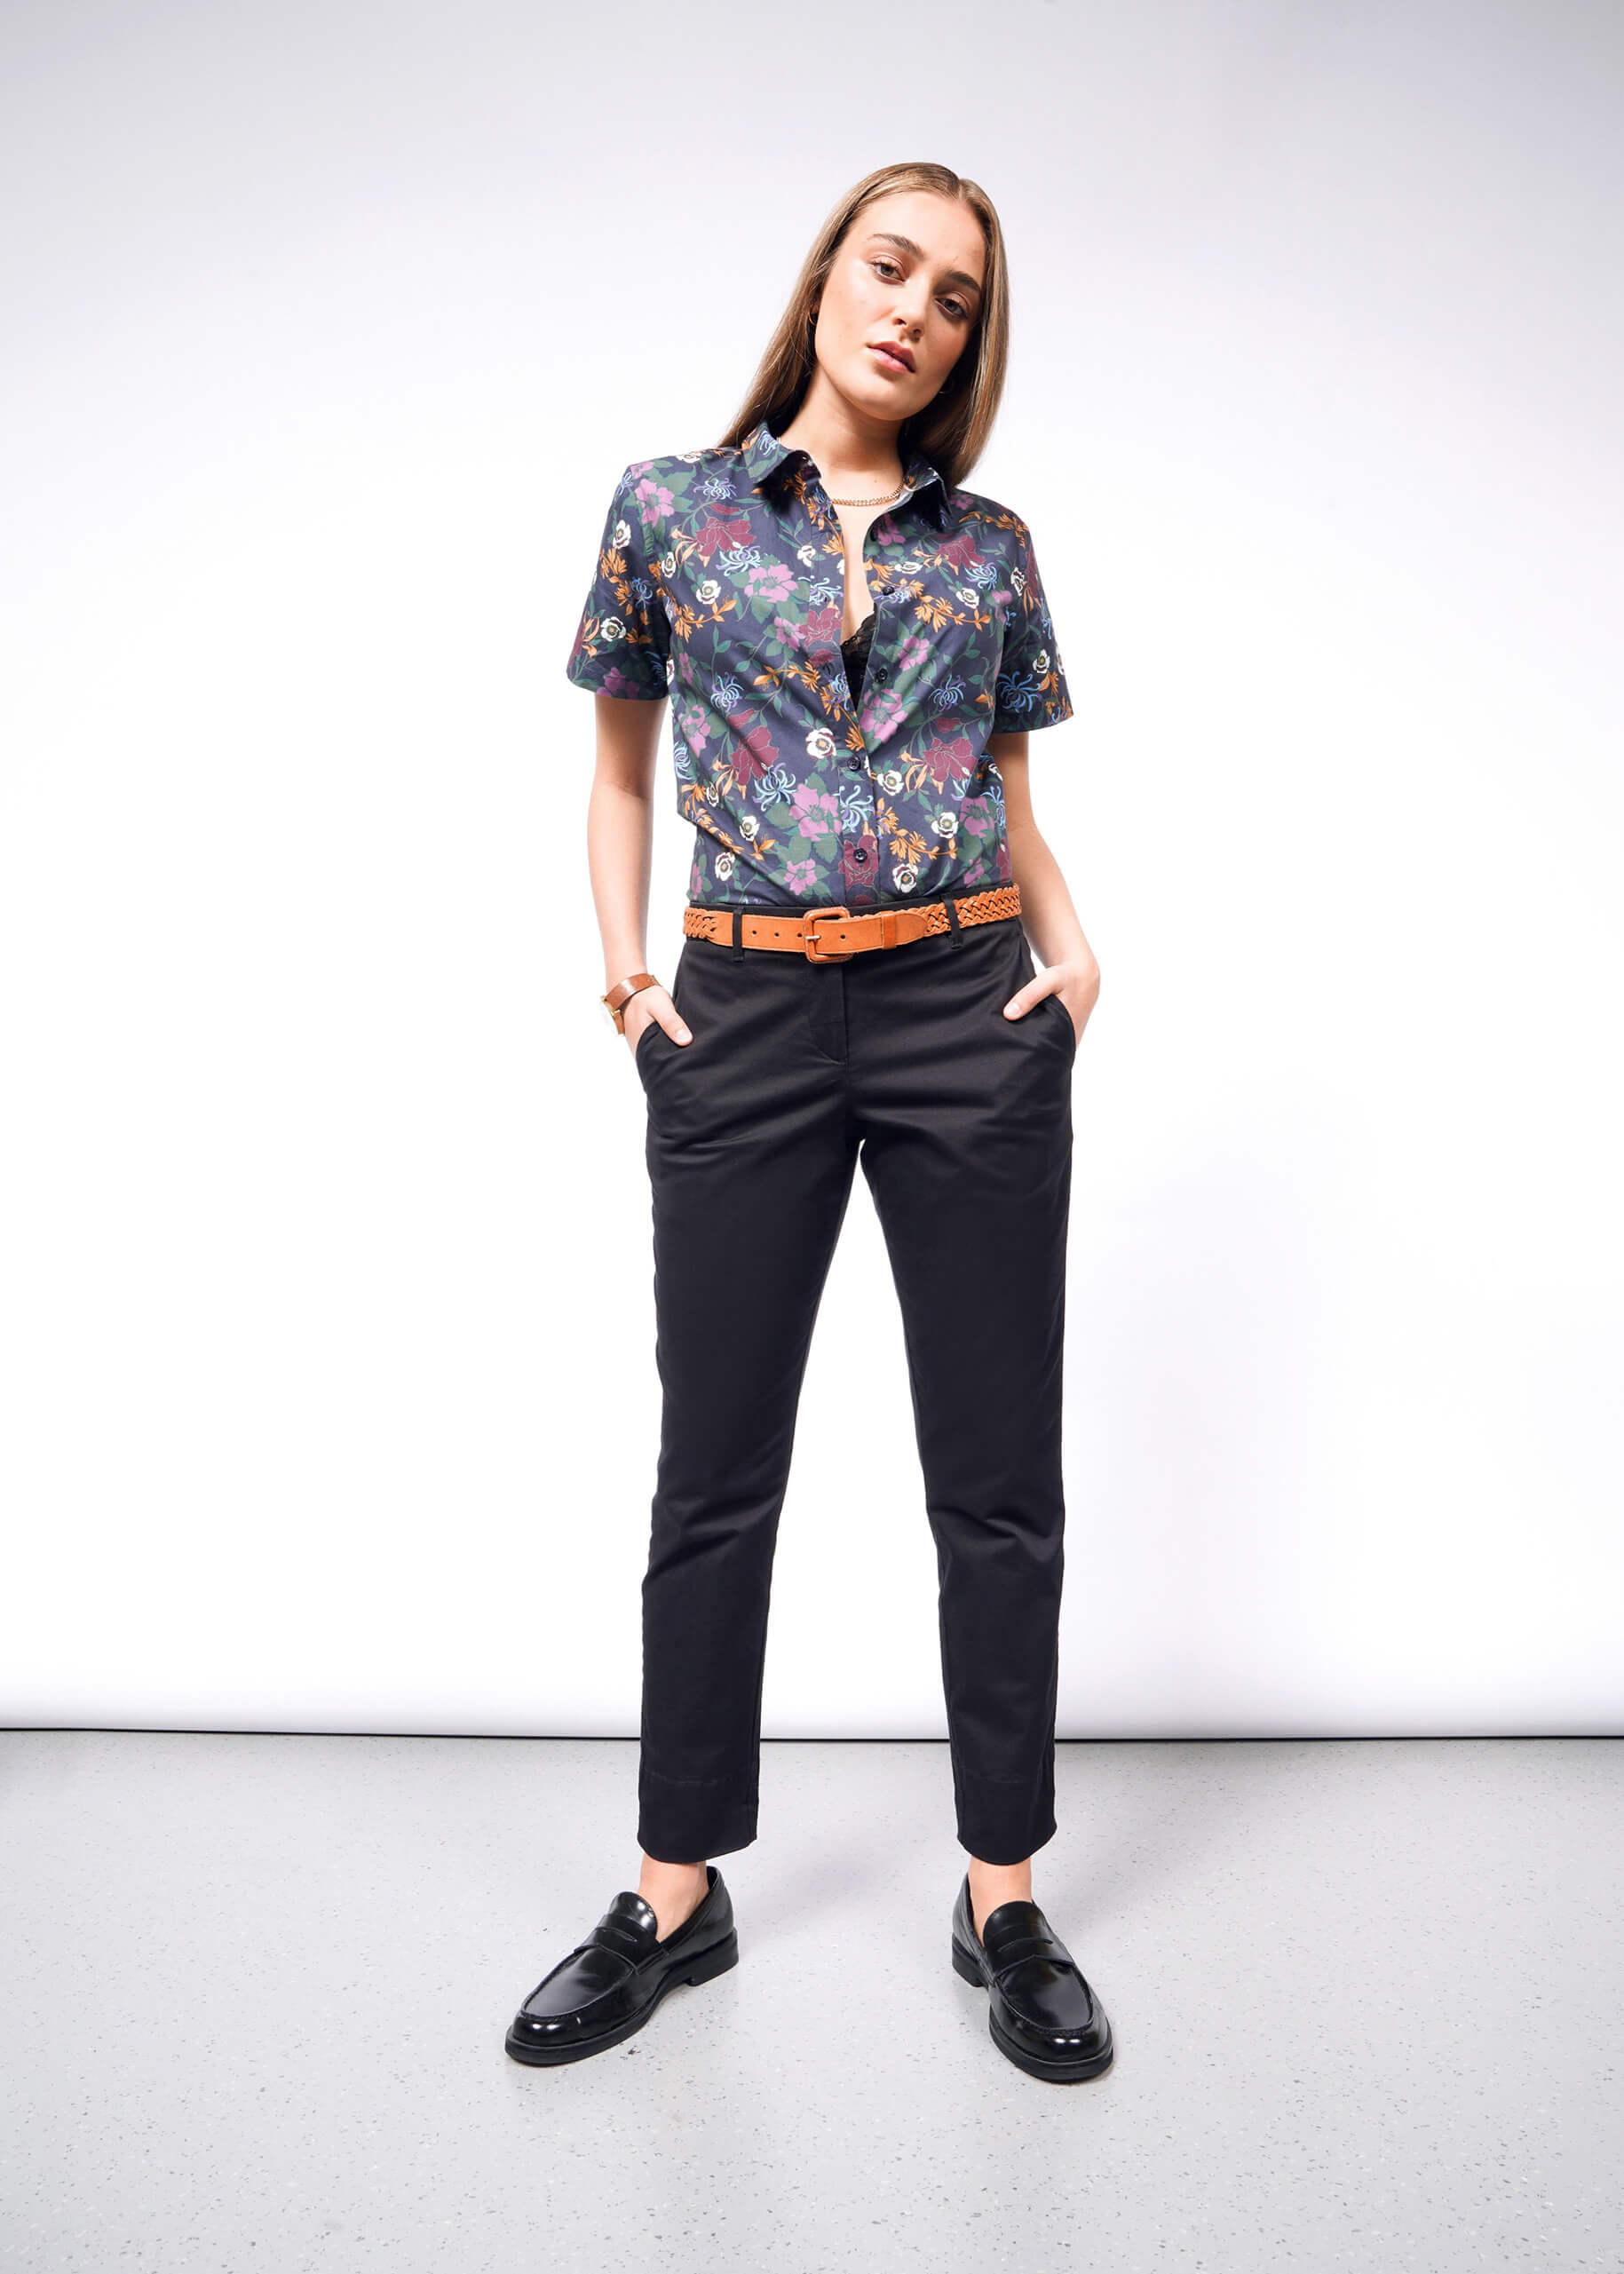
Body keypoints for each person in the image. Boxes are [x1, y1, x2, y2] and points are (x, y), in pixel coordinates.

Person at [506, 161, 1113, 2086]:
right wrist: (628, 977)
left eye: (953, 297)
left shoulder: (992, 545)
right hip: (746, 1008)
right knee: (716, 1470)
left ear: (965, 345)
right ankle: (672, 1891)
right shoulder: (672, 512)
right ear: (830, 278)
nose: (915, 311)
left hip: (964, 1007)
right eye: (891, 267)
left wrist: (1076, 956)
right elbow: (615, 771)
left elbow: (1001, 785)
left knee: (997, 1479)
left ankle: (1002, 1893)